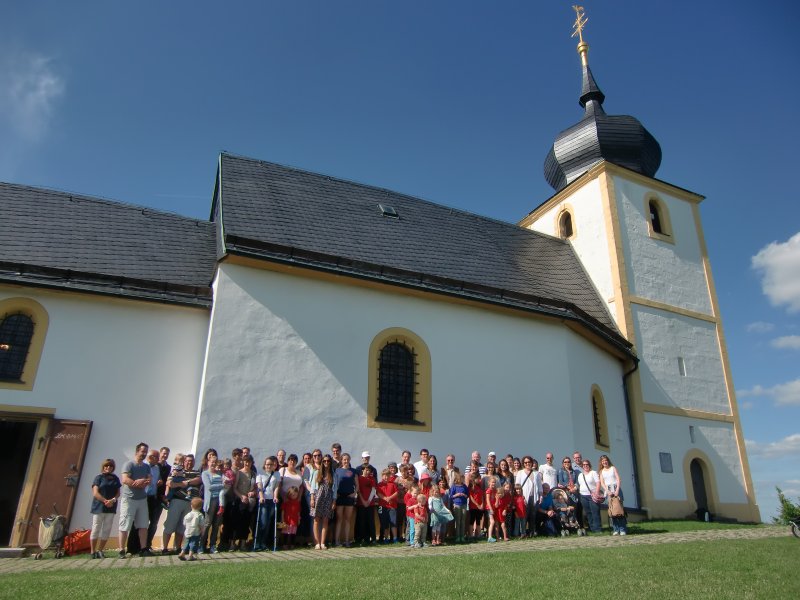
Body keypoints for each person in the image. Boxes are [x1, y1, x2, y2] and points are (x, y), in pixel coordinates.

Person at [118, 442, 152, 558]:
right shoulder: (129, 464)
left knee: (143, 525)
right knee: (125, 524)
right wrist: (136, 483)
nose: (144, 454)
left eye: (146, 452)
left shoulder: (146, 466)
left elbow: (149, 480)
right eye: (142, 451)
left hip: (142, 500)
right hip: (129, 499)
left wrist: (142, 481)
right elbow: (125, 479)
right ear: (137, 451)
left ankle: (143, 549)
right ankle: (122, 550)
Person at [89, 458, 121, 559]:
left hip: (111, 508)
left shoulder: (115, 478)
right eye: (106, 466)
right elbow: (95, 493)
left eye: (111, 466)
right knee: (96, 528)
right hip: (99, 507)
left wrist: (112, 500)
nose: (108, 468)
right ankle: (93, 551)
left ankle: (100, 550)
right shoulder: (98, 478)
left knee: (107, 529)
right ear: (103, 467)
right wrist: (105, 501)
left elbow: (118, 493)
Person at [254, 456, 280, 551]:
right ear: (264, 465)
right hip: (263, 500)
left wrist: (275, 496)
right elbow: (259, 487)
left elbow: (276, 487)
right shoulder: (260, 474)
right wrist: (261, 497)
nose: (269, 466)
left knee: (268, 522)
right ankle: (257, 543)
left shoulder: (276, 474)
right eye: (267, 464)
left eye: (270, 464)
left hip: (271, 500)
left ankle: (263, 543)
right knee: (263, 522)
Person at [310, 454, 335, 550]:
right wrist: (312, 498)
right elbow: (312, 487)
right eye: (324, 461)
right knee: (316, 520)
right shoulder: (317, 473)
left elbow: (335, 489)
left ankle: (323, 542)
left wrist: (334, 501)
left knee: (325, 520)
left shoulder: (333, 474)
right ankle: (317, 542)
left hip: (328, 497)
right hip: (318, 497)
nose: (326, 463)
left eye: (328, 461)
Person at [201, 458, 226, 553]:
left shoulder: (220, 474)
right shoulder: (205, 473)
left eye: (215, 462)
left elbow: (226, 483)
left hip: (220, 502)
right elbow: (209, 487)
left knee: (216, 525)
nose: (213, 464)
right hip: (210, 501)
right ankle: (202, 545)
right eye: (212, 462)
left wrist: (224, 484)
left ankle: (212, 545)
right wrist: (222, 485)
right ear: (208, 462)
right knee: (207, 524)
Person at [598, 454, 627, 535]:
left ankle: (622, 529)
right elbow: (602, 483)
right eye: (603, 461)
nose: (604, 462)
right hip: (609, 491)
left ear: (608, 461)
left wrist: (617, 490)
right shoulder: (601, 471)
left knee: (619, 509)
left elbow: (618, 479)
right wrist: (607, 491)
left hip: (616, 489)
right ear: (601, 462)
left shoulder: (613, 468)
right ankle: (616, 529)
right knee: (612, 511)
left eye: (605, 460)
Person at [332, 453, 357, 547]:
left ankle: (347, 541)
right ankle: (337, 541)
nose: (346, 461)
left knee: (347, 520)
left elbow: (357, 485)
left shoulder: (353, 471)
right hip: (339, 497)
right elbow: (334, 484)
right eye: (344, 459)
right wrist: (335, 494)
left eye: (347, 459)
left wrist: (354, 494)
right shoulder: (337, 471)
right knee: (339, 519)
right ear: (341, 460)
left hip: (349, 497)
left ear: (349, 460)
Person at [354, 451, 378, 545]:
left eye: (369, 470)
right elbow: (358, 489)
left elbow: (373, 489)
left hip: (370, 503)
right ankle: (359, 538)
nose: (367, 471)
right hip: (361, 502)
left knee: (370, 521)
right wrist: (363, 501)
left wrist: (368, 501)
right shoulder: (359, 476)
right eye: (365, 470)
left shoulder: (372, 477)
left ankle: (371, 538)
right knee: (361, 521)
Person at [515, 455, 542, 537]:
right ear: (523, 463)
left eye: (529, 462)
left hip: (534, 496)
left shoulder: (536, 473)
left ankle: (531, 532)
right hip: (524, 497)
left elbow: (539, 485)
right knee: (524, 516)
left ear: (532, 462)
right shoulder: (520, 473)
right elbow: (517, 486)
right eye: (525, 462)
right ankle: (523, 533)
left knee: (533, 515)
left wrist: (541, 496)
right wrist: (522, 498)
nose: (527, 464)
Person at [557, 456, 584, 535]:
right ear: (563, 463)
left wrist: (575, 487)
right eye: (565, 462)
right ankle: (566, 527)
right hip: (565, 493)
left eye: (568, 462)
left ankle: (574, 526)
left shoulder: (574, 471)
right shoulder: (561, 471)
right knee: (566, 509)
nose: (567, 463)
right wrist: (568, 487)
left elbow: (577, 481)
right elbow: (561, 482)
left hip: (573, 493)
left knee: (574, 510)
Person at [577, 458, 602, 534]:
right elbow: (579, 485)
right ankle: (592, 528)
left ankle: (597, 529)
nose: (585, 466)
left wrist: (596, 493)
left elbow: (598, 483)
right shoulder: (580, 475)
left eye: (586, 464)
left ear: (589, 465)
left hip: (592, 495)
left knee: (595, 512)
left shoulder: (593, 473)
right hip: (583, 496)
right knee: (588, 513)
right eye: (584, 465)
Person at [376, 468, 398, 543]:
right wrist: (385, 498)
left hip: (392, 506)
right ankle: (386, 538)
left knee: (393, 522)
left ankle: (395, 538)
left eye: (387, 475)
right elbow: (378, 493)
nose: (386, 477)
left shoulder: (393, 484)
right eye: (384, 475)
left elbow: (397, 493)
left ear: (390, 476)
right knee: (384, 523)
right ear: (382, 476)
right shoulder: (379, 484)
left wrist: (390, 498)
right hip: (382, 506)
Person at [449, 471, 469, 543]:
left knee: (463, 521)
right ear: (457, 479)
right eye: (460, 478)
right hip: (456, 504)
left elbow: (467, 495)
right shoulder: (454, 486)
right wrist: (456, 495)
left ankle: (462, 536)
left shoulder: (464, 486)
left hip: (463, 504)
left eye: (462, 478)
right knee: (458, 521)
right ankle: (457, 536)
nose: (462, 480)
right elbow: (451, 496)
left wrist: (464, 495)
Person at [467, 470, 484, 541]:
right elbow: (471, 497)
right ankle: (471, 535)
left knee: (478, 521)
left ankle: (478, 534)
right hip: (473, 507)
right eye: (478, 479)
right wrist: (477, 505)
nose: (480, 480)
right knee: (471, 521)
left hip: (479, 507)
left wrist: (482, 504)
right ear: (474, 479)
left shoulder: (479, 486)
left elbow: (482, 496)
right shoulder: (471, 487)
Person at [485, 476, 498, 542]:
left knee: (493, 522)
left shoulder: (495, 490)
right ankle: (489, 537)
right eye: (492, 482)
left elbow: (496, 499)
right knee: (492, 522)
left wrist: (496, 502)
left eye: (494, 482)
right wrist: (490, 508)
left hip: (493, 508)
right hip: (489, 508)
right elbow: (487, 500)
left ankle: (492, 536)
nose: (493, 483)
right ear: (489, 482)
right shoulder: (488, 490)